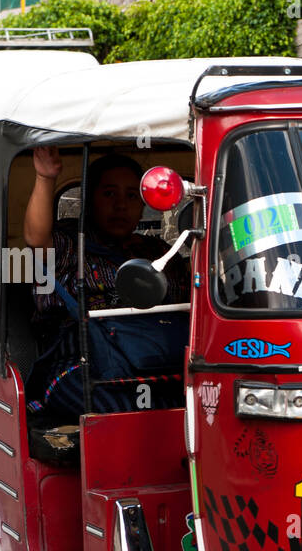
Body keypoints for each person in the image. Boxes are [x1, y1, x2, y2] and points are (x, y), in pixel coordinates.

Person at [22, 147, 190, 416]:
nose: (120, 205)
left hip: (157, 362)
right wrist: (45, 177)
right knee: (117, 412)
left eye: (132, 196)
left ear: (143, 204)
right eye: (109, 194)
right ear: (89, 200)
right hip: (82, 364)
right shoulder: (70, 245)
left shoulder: (159, 254)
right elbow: (35, 239)